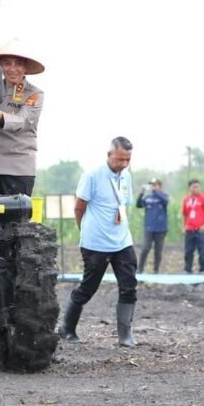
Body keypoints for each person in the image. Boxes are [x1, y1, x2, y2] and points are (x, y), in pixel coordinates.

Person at [58, 137, 138, 347]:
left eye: (127, 160)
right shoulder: (92, 175)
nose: (123, 164)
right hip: (96, 243)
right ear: (109, 155)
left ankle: (125, 335)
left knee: (129, 286)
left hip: (122, 240)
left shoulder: (126, 176)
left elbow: (122, 204)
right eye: (119, 159)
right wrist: (84, 231)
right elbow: (79, 207)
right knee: (88, 287)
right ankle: (67, 328)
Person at [0, 41, 45, 196]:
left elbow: (23, 121)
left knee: (15, 218)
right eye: (7, 63)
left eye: (18, 64)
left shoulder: (35, 94)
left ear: (25, 67)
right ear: (0, 66)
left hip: (17, 167)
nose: (12, 69)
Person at [136, 178, 169, 273]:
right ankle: (140, 269)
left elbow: (166, 202)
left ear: (160, 186)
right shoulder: (148, 197)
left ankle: (156, 270)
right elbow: (139, 205)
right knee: (145, 248)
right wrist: (141, 193)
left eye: (155, 185)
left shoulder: (164, 196)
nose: (153, 187)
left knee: (158, 250)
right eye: (152, 185)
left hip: (160, 228)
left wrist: (156, 192)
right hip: (149, 228)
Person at [182, 179, 204, 273]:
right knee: (188, 251)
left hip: (201, 230)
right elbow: (184, 214)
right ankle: (188, 270)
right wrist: (184, 226)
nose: (196, 189)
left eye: (197, 187)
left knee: (202, 251)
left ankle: (203, 270)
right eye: (194, 187)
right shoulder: (186, 200)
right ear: (190, 188)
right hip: (190, 229)